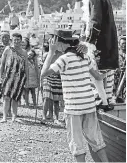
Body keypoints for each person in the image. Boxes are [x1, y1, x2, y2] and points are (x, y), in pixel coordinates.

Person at [41, 29, 108, 162]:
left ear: (59, 43)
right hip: (89, 104)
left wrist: (50, 53)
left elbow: (43, 74)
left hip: (74, 107)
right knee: (96, 140)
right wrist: (107, 71)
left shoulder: (64, 59)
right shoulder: (84, 57)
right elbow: (98, 77)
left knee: (77, 143)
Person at [73, 0, 118, 111]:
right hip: (110, 42)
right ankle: (108, 99)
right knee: (108, 71)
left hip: (100, 43)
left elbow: (94, 22)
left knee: (95, 71)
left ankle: (102, 99)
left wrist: (89, 42)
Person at [0, 33, 29, 123]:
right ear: (12, 40)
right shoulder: (8, 49)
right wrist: (0, 76)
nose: (16, 41)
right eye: (15, 40)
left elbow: (26, 66)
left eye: (18, 40)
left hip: (19, 77)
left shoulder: (24, 52)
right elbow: (2, 64)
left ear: (21, 41)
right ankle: (4, 117)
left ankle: (14, 117)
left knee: (15, 98)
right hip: (8, 76)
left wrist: (27, 79)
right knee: (6, 97)